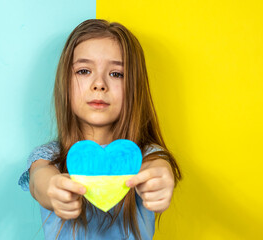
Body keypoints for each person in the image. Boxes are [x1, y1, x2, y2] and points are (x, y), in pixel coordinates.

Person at [18, 19, 182, 240]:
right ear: (65, 82)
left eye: (116, 74)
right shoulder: (48, 158)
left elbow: (158, 167)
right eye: (84, 71)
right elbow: (40, 181)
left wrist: (160, 181)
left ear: (134, 86)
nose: (99, 84)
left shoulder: (145, 157)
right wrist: (53, 189)